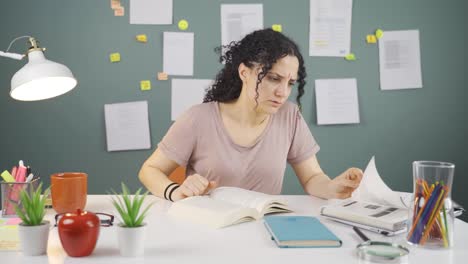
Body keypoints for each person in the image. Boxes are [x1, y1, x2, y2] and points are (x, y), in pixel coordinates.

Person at [139, 28, 363, 202]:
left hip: (262, 230)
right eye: (273, 78)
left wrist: (334, 188)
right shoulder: (198, 118)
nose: (282, 92)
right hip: (206, 228)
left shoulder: (290, 116)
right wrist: (175, 191)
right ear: (244, 72)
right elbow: (150, 170)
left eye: (290, 83)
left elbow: (312, 178)